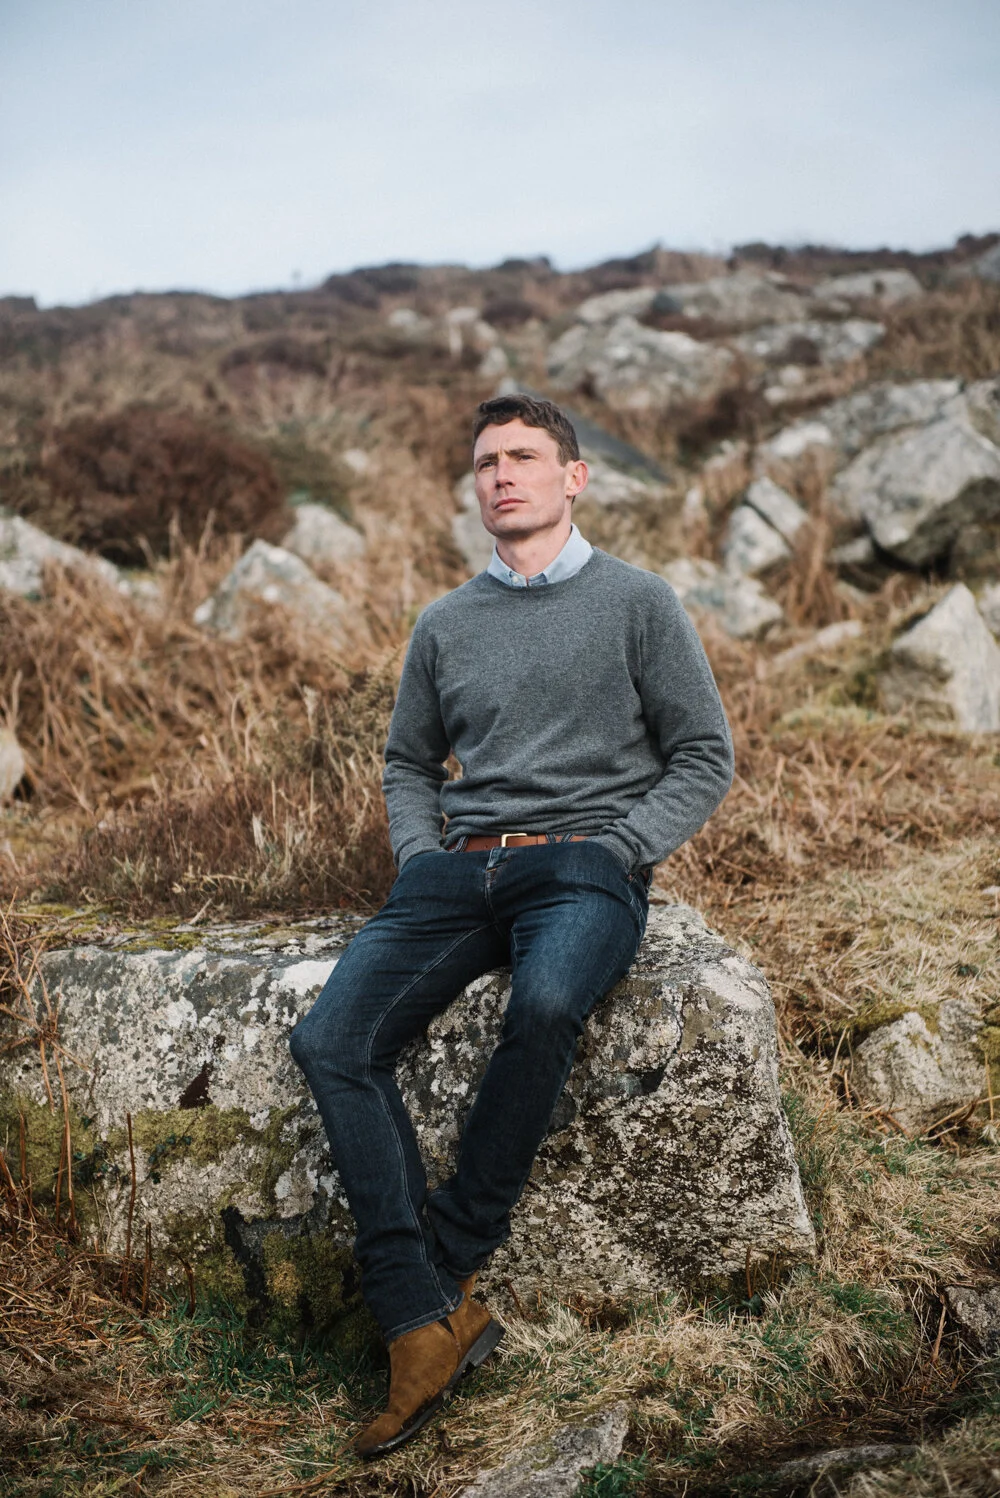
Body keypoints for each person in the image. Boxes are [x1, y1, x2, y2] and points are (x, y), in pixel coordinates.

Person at [290, 393, 734, 1458]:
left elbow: (703, 754)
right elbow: (407, 761)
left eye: (524, 457)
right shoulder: (445, 622)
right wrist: (418, 854)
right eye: (486, 461)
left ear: (573, 477)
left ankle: (433, 1282)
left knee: (542, 1003)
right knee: (331, 1041)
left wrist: (620, 850)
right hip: (458, 874)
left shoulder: (637, 602)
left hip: (585, 868)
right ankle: (429, 1316)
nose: (501, 475)